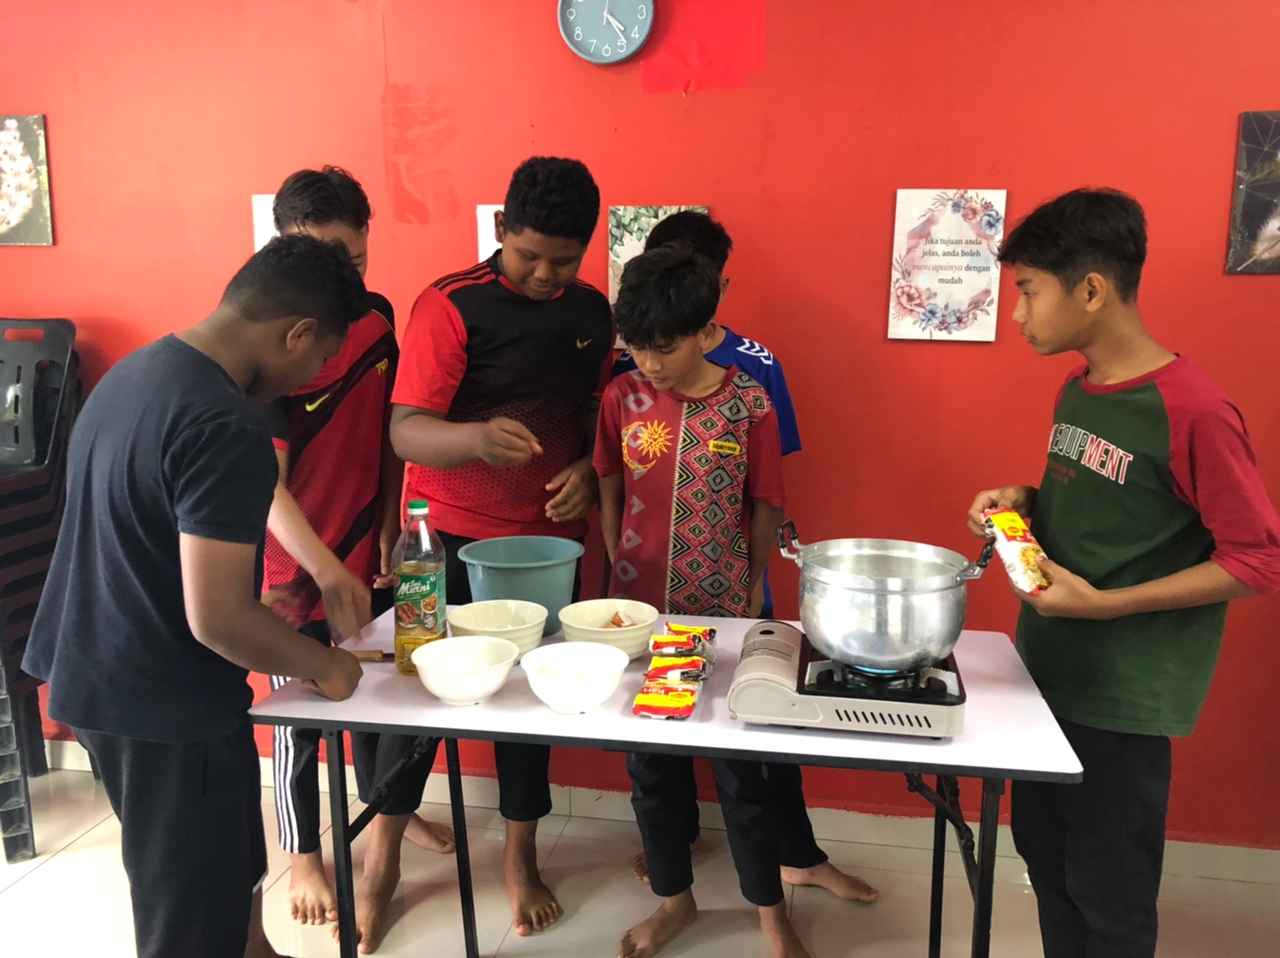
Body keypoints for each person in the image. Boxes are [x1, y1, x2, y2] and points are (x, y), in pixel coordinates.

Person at [22, 234, 369, 958]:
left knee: (230, 880)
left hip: (96, 666)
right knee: (189, 922)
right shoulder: (228, 422)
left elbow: (136, 537)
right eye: (320, 359)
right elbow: (217, 621)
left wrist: (252, 616)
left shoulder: (142, 370)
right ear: (296, 332)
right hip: (162, 704)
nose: (311, 378)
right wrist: (326, 665)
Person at [966, 188, 1280, 958]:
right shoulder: (1078, 390)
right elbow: (1111, 503)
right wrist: (1024, 501)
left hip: (1122, 702)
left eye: (1028, 292)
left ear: (1091, 290)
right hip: (1046, 675)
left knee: (1110, 895)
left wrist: (1107, 606)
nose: (1018, 314)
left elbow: (1258, 558)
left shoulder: (1193, 409)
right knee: (1047, 865)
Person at [355, 156, 611, 950]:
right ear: (501, 229)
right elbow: (405, 430)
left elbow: (595, 411)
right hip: (443, 543)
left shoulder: (592, 311)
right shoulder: (451, 305)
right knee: (416, 701)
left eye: (564, 260)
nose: (545, 275)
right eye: (530, 255)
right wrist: (471, 439)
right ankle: (380, 859)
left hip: (543, 550)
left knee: (530, 708)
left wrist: (588, 468)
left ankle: (519, 858)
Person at [614, 210, 879, 910]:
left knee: (756, 741)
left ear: (714, 295)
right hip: (650, 589)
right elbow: (613, 464)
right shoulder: (627, 369)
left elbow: (765, 488)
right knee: (657, 734)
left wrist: (751, 578)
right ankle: (676, 863)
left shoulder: (754, 373)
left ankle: (796, 858)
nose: (652, 358)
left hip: (732, 588)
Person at [260, 167, 455, 930]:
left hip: (370, 553)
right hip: (292, 575)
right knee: (299, 723)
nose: (341, 281)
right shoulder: (271, 349)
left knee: (390, 701)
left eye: (354, 260)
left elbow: (387, 426)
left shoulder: (374, 318)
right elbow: (265, 486)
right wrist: (321, 567)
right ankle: (305, 853)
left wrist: (388, 519)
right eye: (322, 262)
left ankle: (387, 814)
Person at [595, 244, 801, 958]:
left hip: (723, 613)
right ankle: (673, 900)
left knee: (743, 773)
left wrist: (752, 584)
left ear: (708, 329)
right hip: (640, 615)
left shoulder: (749, 404)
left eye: (666, 346)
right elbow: (608, 481)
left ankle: (770, 914)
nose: (650, 362)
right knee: (652, 767)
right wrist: (617, 563)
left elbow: (767, 503)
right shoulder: (621, 398)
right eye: (637, 346)